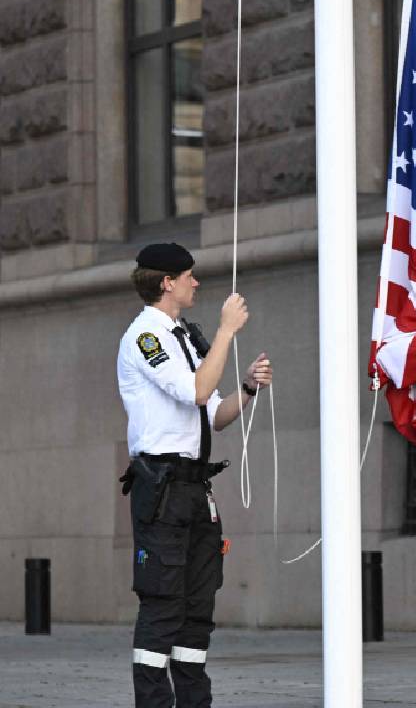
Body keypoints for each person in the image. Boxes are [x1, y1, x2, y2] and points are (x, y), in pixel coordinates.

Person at [116, 242, 272, 708]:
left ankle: (194, 701)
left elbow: (217, 415)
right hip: (161, 488)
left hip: (193, 488)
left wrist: (246, 387)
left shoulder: (185, 336)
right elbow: (198, 391)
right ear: (167, 282)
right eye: (189, 275)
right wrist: (226, 331)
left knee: (197, 606)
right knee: (163, 603)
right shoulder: (147, 336)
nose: (196, 283)